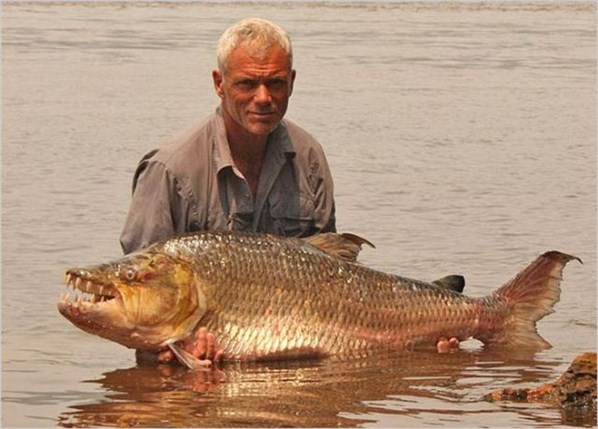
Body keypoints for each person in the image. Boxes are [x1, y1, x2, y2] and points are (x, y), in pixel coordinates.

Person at [122, 18, 458, 366]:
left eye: (275, 83)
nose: (263, 98)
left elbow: (333, 270)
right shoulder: (169, 169)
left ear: (292, 82)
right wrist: (169, 350)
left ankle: (451, 315)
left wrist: (422, 332)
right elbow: (141, 296)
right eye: (248, 83)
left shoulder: (308, 154)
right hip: (197, 357)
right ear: (219, 84)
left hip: (303, 345)